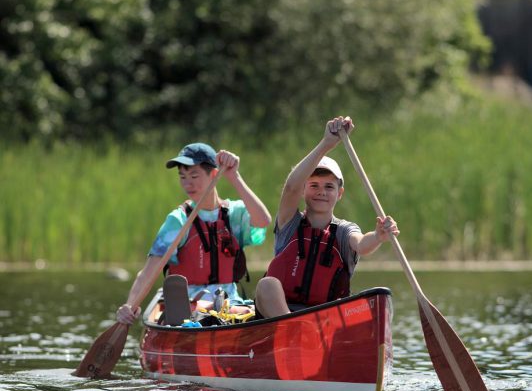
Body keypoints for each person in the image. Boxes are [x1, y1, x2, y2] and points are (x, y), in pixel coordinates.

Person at [255, 116, 398, 318]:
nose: (321, 191)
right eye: (314, 185)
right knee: (266, 284)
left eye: (329, 186)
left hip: (324, 319)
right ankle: (293, 329)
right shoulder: (290, 224)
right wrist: (326, 144)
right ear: (304, 190)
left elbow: (363, 244)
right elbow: (290, 188)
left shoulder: (345, 230)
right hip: (280, 318)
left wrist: (378, 236)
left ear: (339, 193)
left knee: (373, 300)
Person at [116, 143, 272, 324]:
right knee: (204, 314)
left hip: (230, 302)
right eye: (182, 177)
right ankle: (203, 319)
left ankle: (224, 317)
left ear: (214, 174)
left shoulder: (235, 213)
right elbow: (148, 272)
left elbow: (263, 220)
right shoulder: (178, 220)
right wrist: (129, 305)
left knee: (241, 310)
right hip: (188, 303)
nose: (187, 183)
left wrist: (234, 176)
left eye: (194, 176)